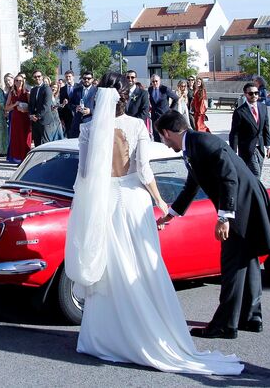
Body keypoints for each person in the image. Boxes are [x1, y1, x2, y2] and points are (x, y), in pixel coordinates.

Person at [65, 74, 242, 375]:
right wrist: (161, 202)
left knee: (110, 269)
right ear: (125, 95)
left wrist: (84, 208)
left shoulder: (87, 129)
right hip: (133, 202)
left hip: (104, 203)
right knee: (144, 266)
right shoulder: (136, 127)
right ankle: (151, 333)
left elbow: (83, 176)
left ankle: (104, 338)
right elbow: (144, 170)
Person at [156, 110, 270, 342]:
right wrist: (171, 214)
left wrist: (224, 217)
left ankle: (224, 325)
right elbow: (193, 184)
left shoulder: (204, 142)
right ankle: (251, 318)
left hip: (242, 205)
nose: (164, 142)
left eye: (162, 137)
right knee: (247, 259)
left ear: (167, 132)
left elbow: (228, 177)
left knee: (232, 262)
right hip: (244, 202)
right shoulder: (193, 144)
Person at [228, 82, 270, 178]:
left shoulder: (263, 108)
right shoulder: (239, 112)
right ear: (245, 94)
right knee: (255, 173)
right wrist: (233, 151)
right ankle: (256, 192)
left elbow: (266, 127)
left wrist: (268, 146)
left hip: (260, 147)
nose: (254, 95)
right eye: (251, 93)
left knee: (258, 172)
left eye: (256, 93)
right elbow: (234, 133)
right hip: (247, 148)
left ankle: (250, 191)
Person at [4, 74, 31, 163]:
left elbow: (31, 107)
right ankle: (18, 159)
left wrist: (24, 109)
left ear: (23, 82)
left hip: (25, 118)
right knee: (16, 138)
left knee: (25, 139)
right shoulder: (12, 93)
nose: (18, 82)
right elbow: (6, 108)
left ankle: (25, 159)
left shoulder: (26, 92)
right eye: (16, 80)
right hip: (15, 118)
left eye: (20, 80)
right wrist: (15, 104)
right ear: (14, 82)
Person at [28, 70, 59, 146]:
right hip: (35, 121)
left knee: (46, 144)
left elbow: (46, 105)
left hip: (45, 120)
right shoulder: (33, 90)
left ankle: (48, 158)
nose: (37, 78)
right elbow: (31, 104)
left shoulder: (47, 88)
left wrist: (37, 116)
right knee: (37, 143)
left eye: (39, 76)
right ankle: (39, 158)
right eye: (35, 77)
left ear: (42, 77)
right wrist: (31, 115)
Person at [148, 74, 177, 142]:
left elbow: (176, 98)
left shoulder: (165, 89)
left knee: (165, 135)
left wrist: (170, 109)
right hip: (154, 116)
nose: (155, 83)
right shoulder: (150, 89)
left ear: (159, 81)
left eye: (156, 81)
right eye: (153, 81)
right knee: (156, 135)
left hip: (164, 115)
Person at [68, 71, 96, 138]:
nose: (86, 80)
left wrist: (90, 111)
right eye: (84, 78)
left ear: (92, 79)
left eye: (88, 78)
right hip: (77, 123)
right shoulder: (76, 90)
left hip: (90, 122)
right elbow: (70, 104)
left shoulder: (97, 91)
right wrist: (75, 107)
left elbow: (100, 107)